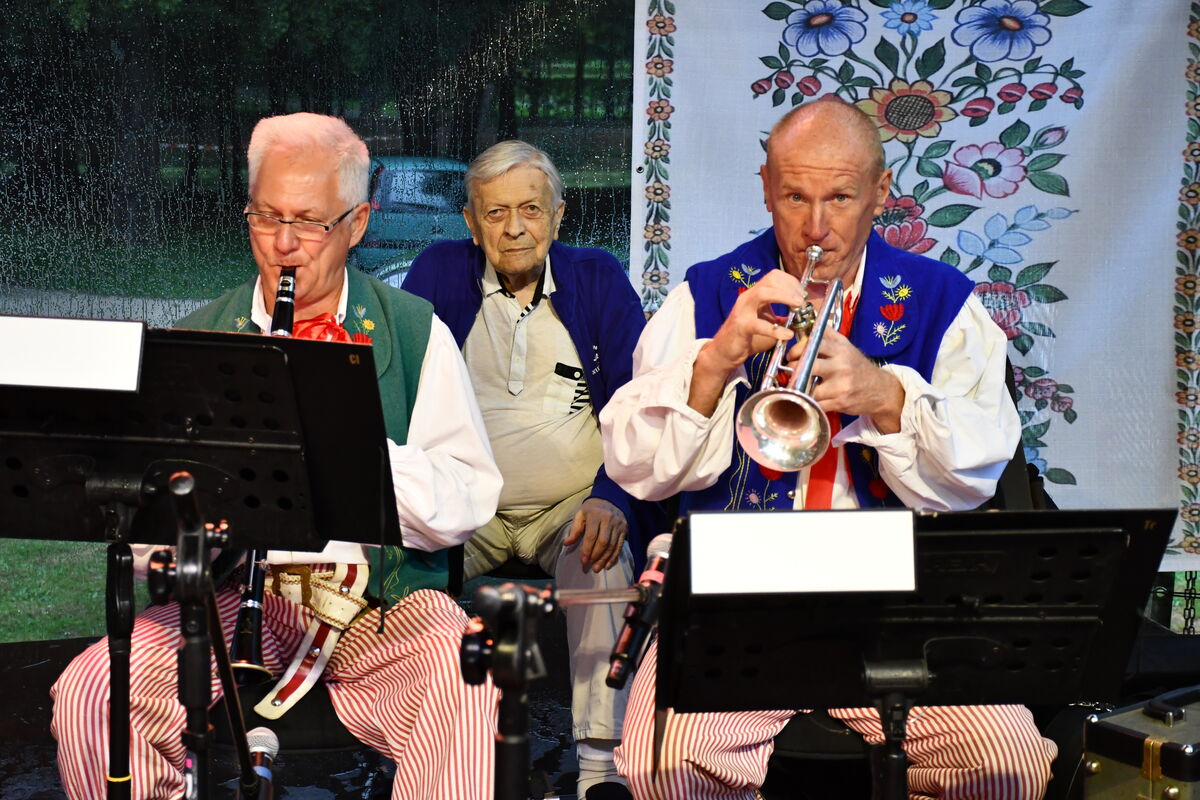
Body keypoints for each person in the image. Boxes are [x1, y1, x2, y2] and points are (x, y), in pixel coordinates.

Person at [598, 100, 1058, 800]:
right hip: (735, 600)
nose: (816, 227)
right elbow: (639, 468)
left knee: (1007, 761)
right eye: (795, 197)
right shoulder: (708, 293)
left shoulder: (942, 301)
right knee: (663, 761)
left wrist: (884, 395)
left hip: (892, 604)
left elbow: (976, 472)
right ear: (765, 187)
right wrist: (715, 361)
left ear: (879, 191)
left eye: (841, 197)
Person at [50, 112, 503, 800]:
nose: (284, 245)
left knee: (462, 665)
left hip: (380, 607)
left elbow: (467, 496)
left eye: (311, 222)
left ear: (357, 223)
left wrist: (340, 441)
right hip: (229, 602)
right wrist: (170, 537)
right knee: (90, 692)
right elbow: (144, 523)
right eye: (266, 218)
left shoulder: (415, 332)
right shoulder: (201, 335)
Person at [403, 139, 654, 799]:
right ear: (470, 222)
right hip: (467, 509)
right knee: (402, 567)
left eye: (530, 209)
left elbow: (638, 405)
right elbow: (400, 395)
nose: (514, 227)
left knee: (603, 558)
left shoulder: (597, 277)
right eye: (496, 213)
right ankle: (444, 756)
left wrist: (612, 500)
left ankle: (600, 768)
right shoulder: (436, 272)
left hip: (569, 508)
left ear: (559, 215)